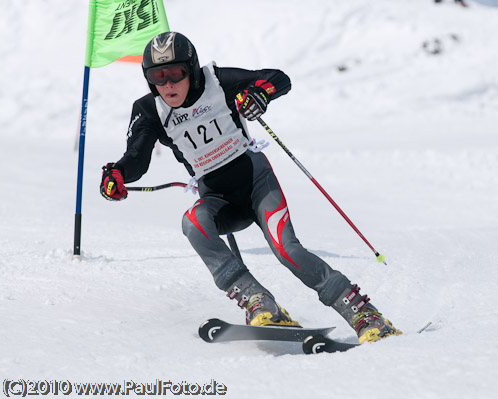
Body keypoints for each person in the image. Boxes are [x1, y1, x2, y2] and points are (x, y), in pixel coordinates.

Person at [99, 31, 402, 343]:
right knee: (192, 224)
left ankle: (366, 315)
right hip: (218, 200)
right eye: (158, 77)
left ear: (191, 68)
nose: (169, 85)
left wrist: (259, 94)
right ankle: (260, 301)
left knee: (288, 250)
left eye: (175, 73)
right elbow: (136, 157)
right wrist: (118, 174)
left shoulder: (216, 81)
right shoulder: (150, 110)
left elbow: (278, 79)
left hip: (257, 184)